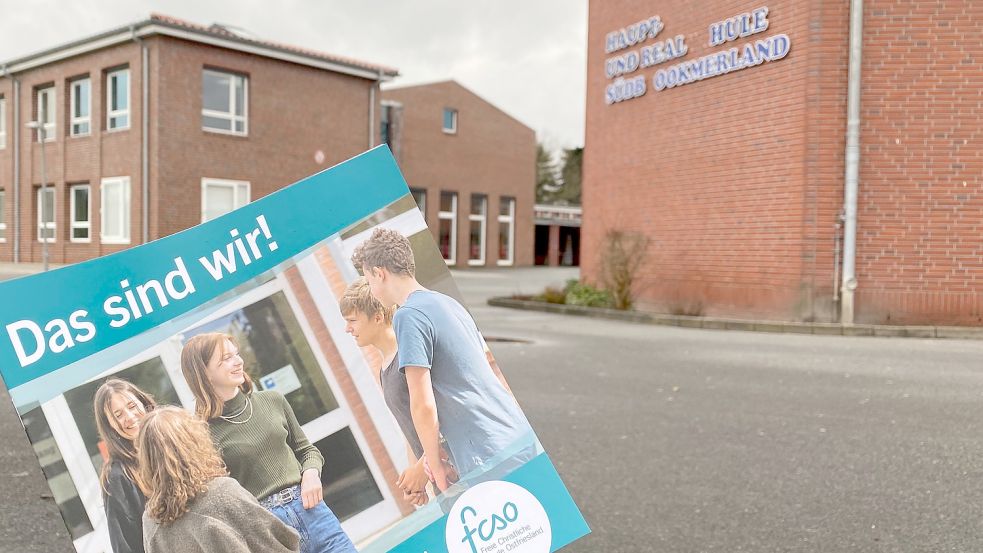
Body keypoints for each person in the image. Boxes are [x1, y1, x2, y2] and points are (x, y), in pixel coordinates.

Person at [352, 227, 536, 493]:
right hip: (515, 433)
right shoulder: (449, 303)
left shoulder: (408, 315)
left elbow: (422, 404)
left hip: (486, 454)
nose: (371, 288)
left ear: (379, 273)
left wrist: (434, 466)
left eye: (368, 280)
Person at [180, 333, 357, 553]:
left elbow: (306, 450)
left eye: (236, 354)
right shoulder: (201, 432)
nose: (238, 361)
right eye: (226, 358)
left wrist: (311, 474)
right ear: (203, 373)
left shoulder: (272, 400)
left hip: (312, 511)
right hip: (265, 529)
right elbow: (216, 497)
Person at [339, 277, 457, 506]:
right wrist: (417, 475)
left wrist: (423, 470)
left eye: (352, 320)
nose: (347, 328)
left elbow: (444, 415)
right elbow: (409, 429)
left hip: (458, 469)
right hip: (438, 476)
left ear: (378, 317)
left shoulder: (410, 355)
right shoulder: (385, 370)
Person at [136, 406, 299, 553]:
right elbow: (276, 544)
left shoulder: (151, 521)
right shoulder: (222, 492)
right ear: (193, 441)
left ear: (146, 460)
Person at [93, 379, 156, 553]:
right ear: (109, 426)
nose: (129, 417)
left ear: (144, 404)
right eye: (118, 415)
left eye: (132, 406)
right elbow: (126, 546)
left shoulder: (172, 445)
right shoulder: (116, 478)